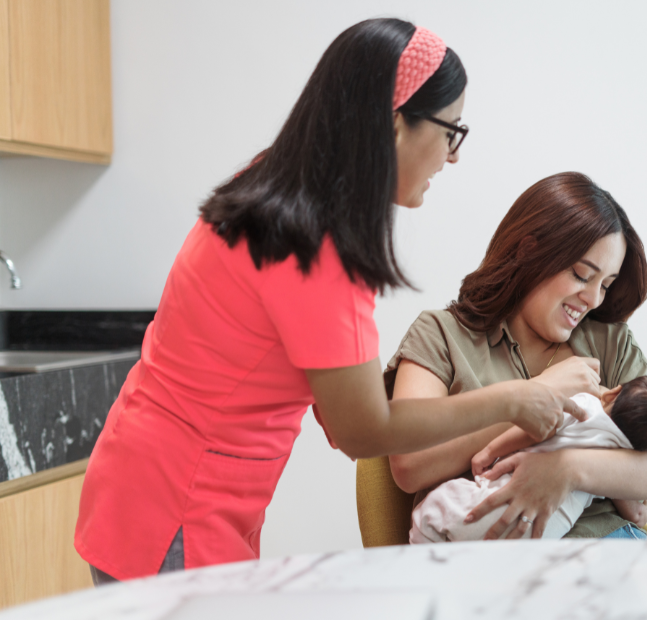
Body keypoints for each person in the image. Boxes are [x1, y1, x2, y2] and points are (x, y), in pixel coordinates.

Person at [74, 19, 584, 584]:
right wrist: (513, 399)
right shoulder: (316, 245)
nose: (453, 156)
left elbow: (345, 419)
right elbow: (363, 432)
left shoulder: (277, 189)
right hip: (179, 505)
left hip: (150, 479)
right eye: (450, 131)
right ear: (395, 125)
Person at [386, 172, 647, 541]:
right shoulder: (440, 334)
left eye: (606, 285)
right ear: (529, 251)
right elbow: (409, 465)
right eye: (582, 275)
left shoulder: (610, 342)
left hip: (607, 543)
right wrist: (532, 397)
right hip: (485, 553)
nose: (593, 299)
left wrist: (566, 469)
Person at [411, 375, 647, 543]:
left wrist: (489, 451)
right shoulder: (621, 459)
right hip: (540, 534)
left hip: (493, 503)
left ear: (612, 393)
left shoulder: (584, 407)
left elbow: (531, 431)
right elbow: (636, 515)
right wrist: (643, 507)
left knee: (435, 509)